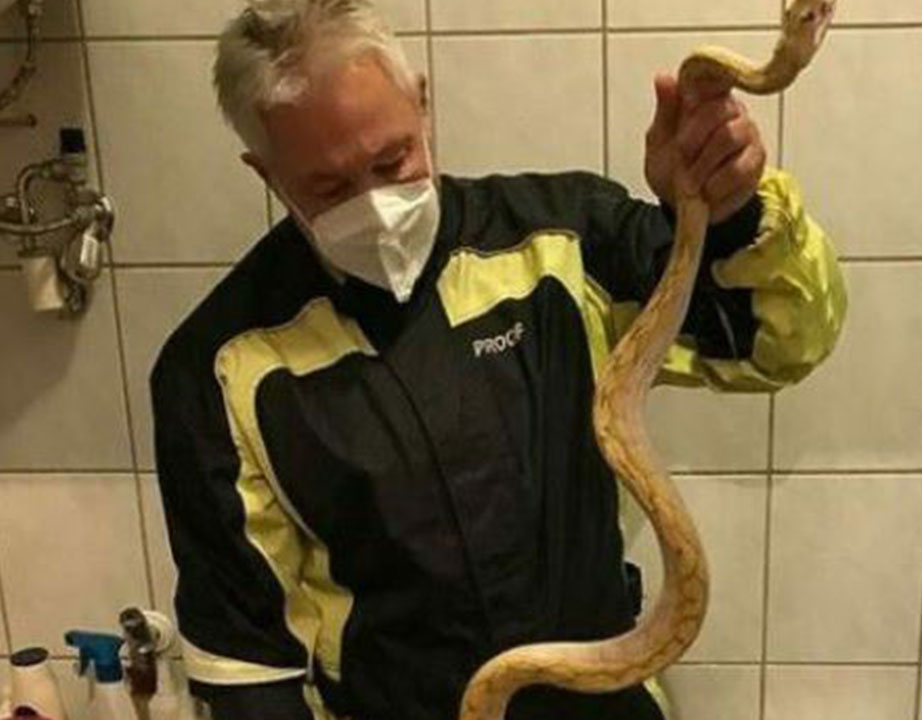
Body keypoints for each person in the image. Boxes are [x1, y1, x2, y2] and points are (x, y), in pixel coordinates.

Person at [148, 1, 847, 719]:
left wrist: (725, 217)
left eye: (393, 161)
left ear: (422, 103)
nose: (376, 206)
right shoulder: (220, 369)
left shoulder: (563, 243)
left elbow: (779, 345)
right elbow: (250, 671)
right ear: (266, 173)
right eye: (329, 187)